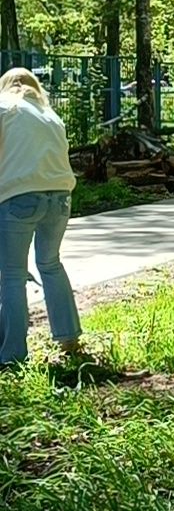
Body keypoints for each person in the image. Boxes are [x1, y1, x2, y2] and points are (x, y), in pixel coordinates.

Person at [0, 67, 81, 369]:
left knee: (11, 275)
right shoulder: (51, 116)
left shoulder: (4, 107)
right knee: (50, 264)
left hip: (19, 197)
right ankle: (69, 337)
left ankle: (12, 355)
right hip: (60, 197)